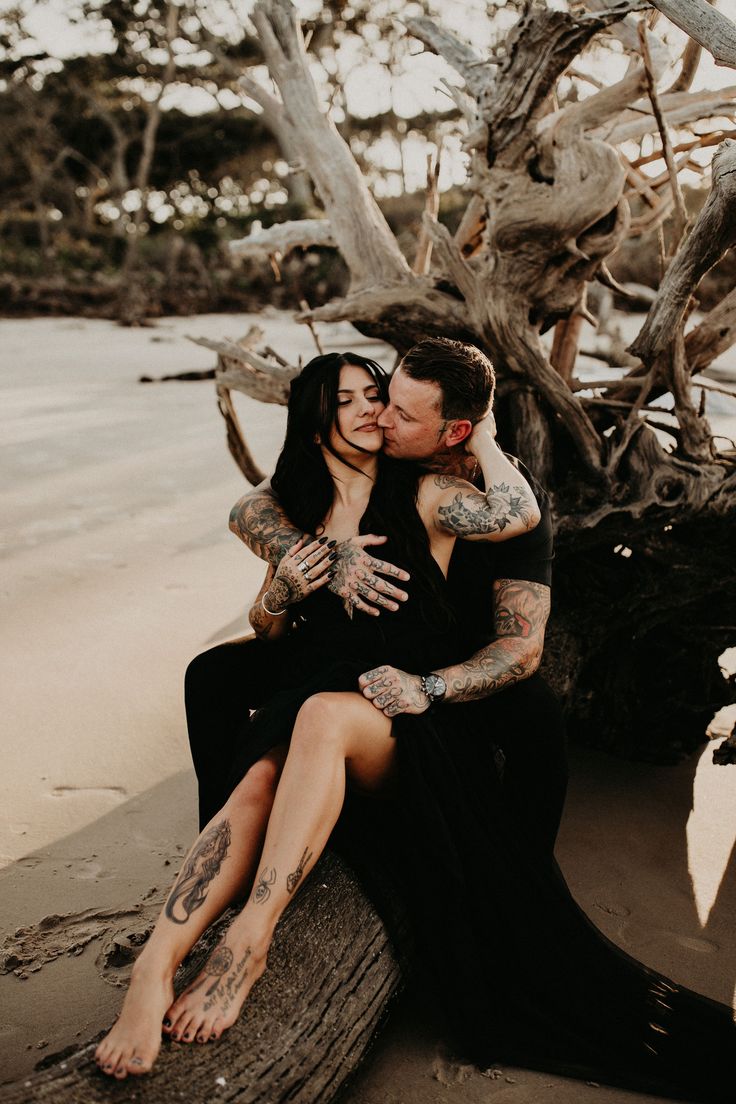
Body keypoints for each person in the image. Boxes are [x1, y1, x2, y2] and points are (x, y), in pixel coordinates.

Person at [94, 349, 543, 1079]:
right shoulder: (298, 515)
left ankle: (251, 940)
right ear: (314, 425)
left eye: (381, 396)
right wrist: (289, 585)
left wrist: (484, 430)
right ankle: (153, 967)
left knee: (321, 718)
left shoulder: (426, 490)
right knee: (255, 784)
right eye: (353, 400)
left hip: (398, 711)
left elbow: (516, 513)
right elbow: (267, 619)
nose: (373, 410)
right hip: (310, 688)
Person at [187, 338, 567, 861]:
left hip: (458, 656)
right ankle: (221, 844)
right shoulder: (373, 459)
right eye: (384, 396)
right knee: (211, 677)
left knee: (538, 723)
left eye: (402, 413)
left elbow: (521, 648)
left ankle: (518, 875)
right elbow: (249, 506)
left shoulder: (505, 498)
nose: (380, 416)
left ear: (455, 431)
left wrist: (431, 687)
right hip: (360, 646)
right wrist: (324, 555)